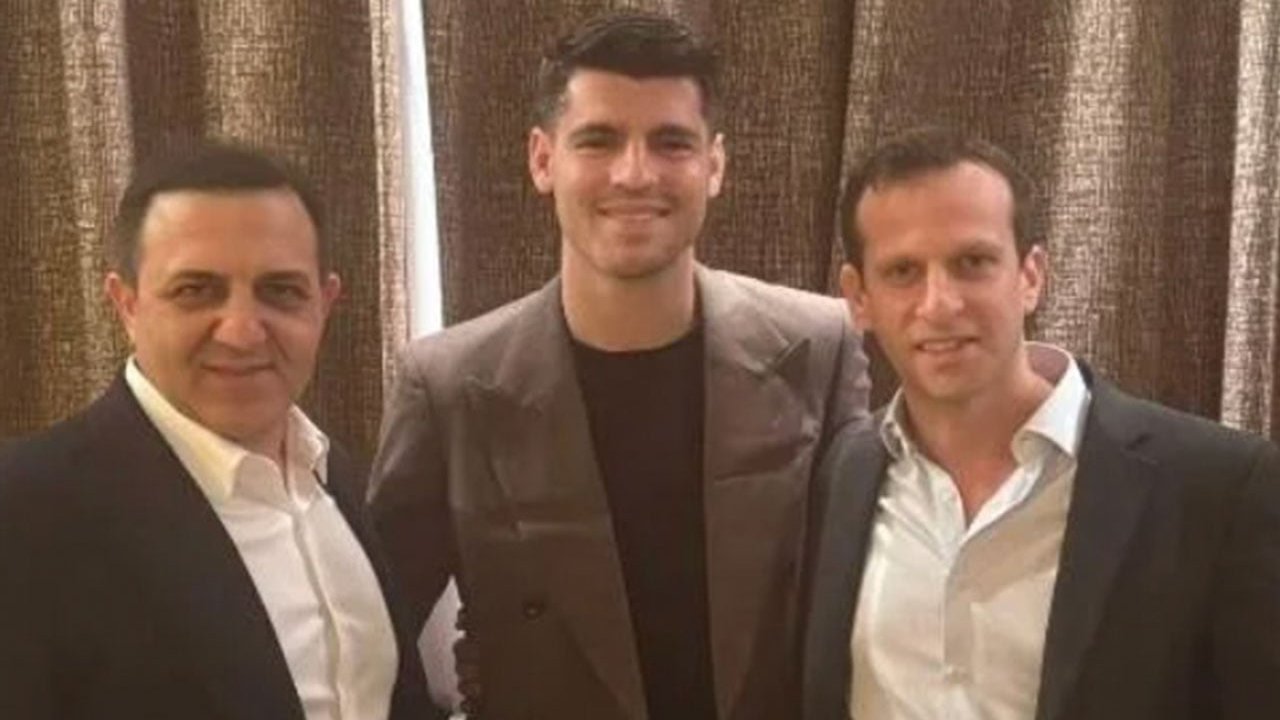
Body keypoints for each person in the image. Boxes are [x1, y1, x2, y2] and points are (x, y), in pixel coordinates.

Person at [369, 10, 870, 720]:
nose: (635, 174)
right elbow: (368, 640)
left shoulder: (819, 346)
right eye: (598, 140)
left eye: (671, 142)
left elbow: (870, 600)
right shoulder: (448, 386)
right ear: (544, 159)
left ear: (714, 165)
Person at [803, 127, 1280, 720]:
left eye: (972, 263)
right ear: (859, 298)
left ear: (1030, 276)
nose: (940, 304)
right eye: (903, 271)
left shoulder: (1221, 488)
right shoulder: (843, 473)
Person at [0, 141, 441, 720]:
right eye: (195, 291)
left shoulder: (339, 480)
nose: (241, 332)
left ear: (324, 303)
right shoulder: (24, 509)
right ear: (126, 304)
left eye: (281, 291)